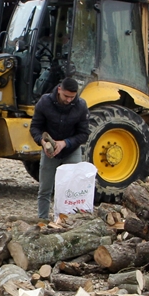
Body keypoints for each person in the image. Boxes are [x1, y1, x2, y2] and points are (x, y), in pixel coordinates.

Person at [29, 77, 91, 220]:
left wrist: (65, 143)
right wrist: (42, 142)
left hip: (71, 149)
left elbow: (84, 134)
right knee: (45, 189)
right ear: (59, 90)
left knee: (73, 189)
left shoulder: (81, 106)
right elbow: (35, 128)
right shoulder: (44, 102)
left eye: (72, 97)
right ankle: (42, 220)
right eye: (66, 96)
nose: (69, 100)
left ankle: (70, 220)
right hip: (50, 152)